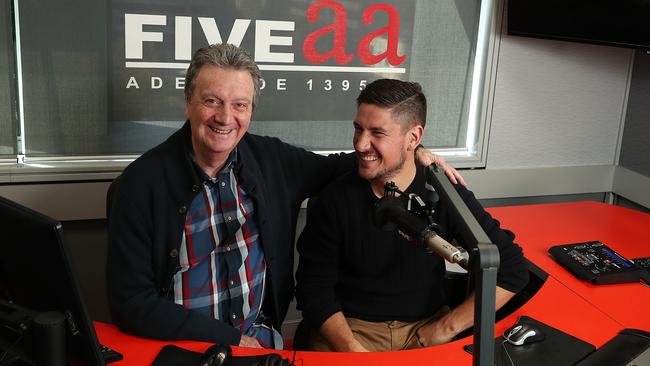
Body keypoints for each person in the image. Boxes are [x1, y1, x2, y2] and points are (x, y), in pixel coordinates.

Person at [106, 44, 463, 349]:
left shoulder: (271, 160)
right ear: (188, 102)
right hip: (181, 347)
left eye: (240, 105)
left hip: (259, 342)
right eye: (211, 101)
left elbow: (352, 163)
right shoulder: (141, 184)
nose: (225, 117)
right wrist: (228, 340)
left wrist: (411, 151)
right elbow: (131, 303)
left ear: (251, 110)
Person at [295, 79, 529, 352]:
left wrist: (445, 329)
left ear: (413, 138)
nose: (360, 144)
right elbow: (313, 290)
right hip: (353, 330)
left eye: (377, 133)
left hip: (426, 329)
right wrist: (354, 352)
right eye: (358, 129)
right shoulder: (335, 198)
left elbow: (511, 269)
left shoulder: (444, 194)